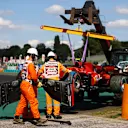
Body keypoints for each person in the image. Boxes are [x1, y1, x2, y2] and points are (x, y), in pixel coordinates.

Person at [13, 48, 47, 125]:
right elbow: (34, 77)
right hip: (28, 85)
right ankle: (38, 119)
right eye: (35, 56)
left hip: (23, 84)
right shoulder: (31, 64)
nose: (35, 57)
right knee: (33, 101)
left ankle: (16, 117)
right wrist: (37, 82)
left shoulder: (25, 63)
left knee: (23, 102)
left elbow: (23, 73)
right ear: (32, 55)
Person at [38, 51, 70, 119]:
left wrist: (42, 77)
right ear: (54, 57)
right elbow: (66, 71)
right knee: (56, 99)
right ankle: (56, 114)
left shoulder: (45, 64)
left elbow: (39, 73)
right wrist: (62, 78)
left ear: (48, 57)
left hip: (48, 83)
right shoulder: (58, 64)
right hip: (56, 83)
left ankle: (48, 114)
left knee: (48, 99)